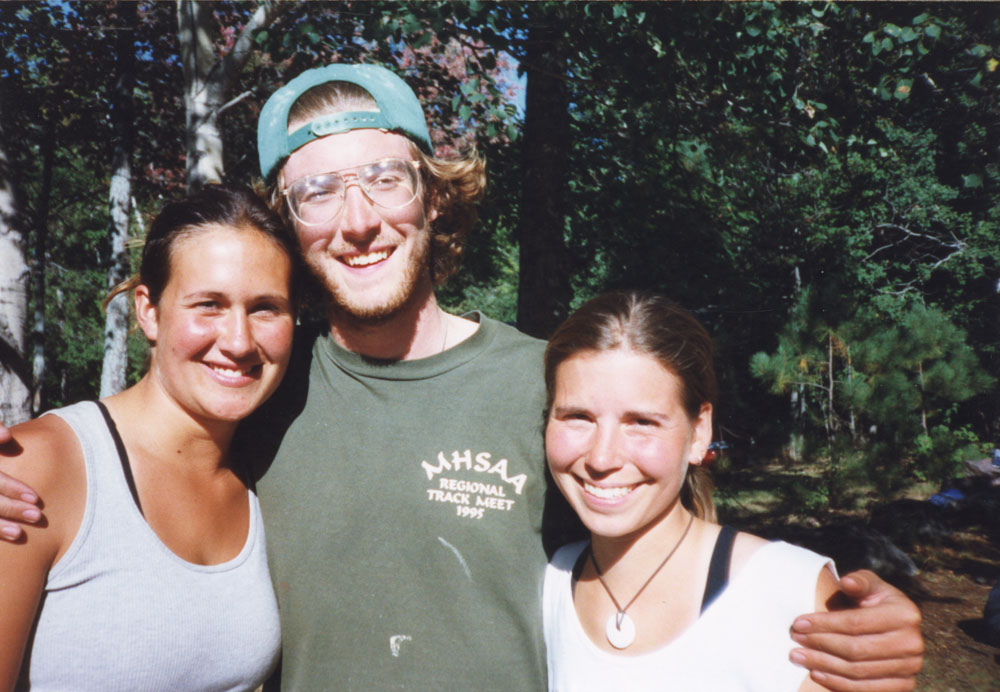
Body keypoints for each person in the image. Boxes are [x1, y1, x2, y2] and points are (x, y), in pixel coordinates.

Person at [0, 63, 923, 691]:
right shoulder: (258, 388)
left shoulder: (548, 389)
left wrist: (839, 613)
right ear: (289, 224)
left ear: (434, 192)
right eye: (318, 191)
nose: (358, 218)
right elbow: (128, 456)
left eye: (385, 178)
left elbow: (668, 535)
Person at [0, 186, 296, 691]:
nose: (239, 340)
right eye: (208, 304)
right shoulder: (40, 468)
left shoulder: (267, 469)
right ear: (149, 311)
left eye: (265, 308)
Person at [542, 291, 838, 691]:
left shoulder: (790, 590)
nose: (602, 457)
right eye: (578, 417)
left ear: (699, 432)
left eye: (641, 422)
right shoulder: (552, 582)